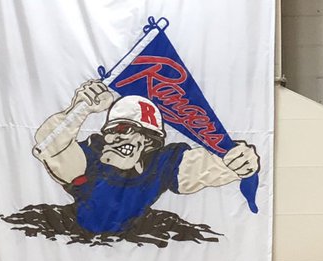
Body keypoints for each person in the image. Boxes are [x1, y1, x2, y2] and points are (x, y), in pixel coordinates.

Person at [33, 83, 259, 235]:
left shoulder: (162, 162)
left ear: (148, 143)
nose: (118, 137)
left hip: (134, 238)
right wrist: (79, 110)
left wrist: (235, 162)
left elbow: (204, 167)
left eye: (127, 129)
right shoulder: (94, 154)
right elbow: (50, 147)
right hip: (72, 233)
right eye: (113, 130)